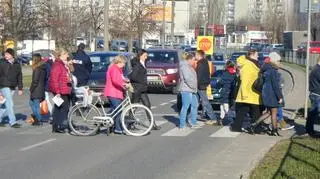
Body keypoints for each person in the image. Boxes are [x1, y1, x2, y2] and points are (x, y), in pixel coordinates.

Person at [231, 49, 261, 132]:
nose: (258, 56)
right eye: (256, 55)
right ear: (252, 55)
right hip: (250, 91)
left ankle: (236, 127)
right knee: (256, 110)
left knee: (243, 109)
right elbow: (248, 79)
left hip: (246, 91)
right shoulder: (250, 64)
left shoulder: (246, 63)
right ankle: (256, 127)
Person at [130, 49, 161, 130]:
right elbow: (133, 76)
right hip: (137, 88)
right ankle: (130, 124)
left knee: (147, 105)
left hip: (143, 89)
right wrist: (142, 81)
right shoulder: (137, 64)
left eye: (146, 56)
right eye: (145, 56)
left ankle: (152, 124)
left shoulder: (143, 63)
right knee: (134, 107)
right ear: (140, 56)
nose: (146, 57)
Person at [258, 52, 283, 136]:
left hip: (266, 92)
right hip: (271, 93)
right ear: (274, 61)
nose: (280, 62)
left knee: (269, 112)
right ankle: (274, 131)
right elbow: (275, 85)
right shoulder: (272, 70)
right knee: (274, 112)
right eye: (279, 61)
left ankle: (253, 125)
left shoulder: (266, 68)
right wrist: (279, 97)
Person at [49, 48, 73, 133]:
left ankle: (56, 126)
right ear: (61, 55)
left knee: (58, 108)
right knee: (64, 108)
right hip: (61, 90)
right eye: (66, 54)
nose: (68, 56)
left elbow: (71, 72)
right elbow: (54, 79)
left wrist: (69, 65)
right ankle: (59, 125)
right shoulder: (57, 65)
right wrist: (57, 92)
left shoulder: (63, 64)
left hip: (64, 89)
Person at [104, 55, 129, 134]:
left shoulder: (118, 69)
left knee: (114, 110)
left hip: (116, 92)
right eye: (124, 63)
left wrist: (125, 80)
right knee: (118, 110)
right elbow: (115, 80)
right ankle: (117, 128)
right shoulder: (114, 69)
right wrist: (124, 85)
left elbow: (120, 79)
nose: (124, 65)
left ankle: (109, 123)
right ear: (119, 62)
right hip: (113, 92)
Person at [0, 48, 23, 128]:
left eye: (8, 54)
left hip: (12, 86)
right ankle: (13, 122)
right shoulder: (2, 63)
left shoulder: (17, 64)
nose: (6, 55)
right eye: (5, 54)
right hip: (4, 86)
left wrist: (20, 88)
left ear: (12, 55)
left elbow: (19, 76)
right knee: (10, 104)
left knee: (4, 105)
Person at [195, 50, 218, 125]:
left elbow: (199, 76)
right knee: (196, 102)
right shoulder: (205, 62)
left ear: (199, 55)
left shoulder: (201, 63)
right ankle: (192, 117)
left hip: (200, 85)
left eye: (196, 55)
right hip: (202, 84)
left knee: (205, 102)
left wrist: (196, 84)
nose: (195, 56)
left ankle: (213, 118)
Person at [178, 53, 201, 129]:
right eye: (194, 60)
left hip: (192, 90)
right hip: (186, 89)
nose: (195, 62)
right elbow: (187, 79)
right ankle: (182, 124)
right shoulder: (184, 66)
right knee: (185, 107)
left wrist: (194, 88)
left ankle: (193, 122)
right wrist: (194, 86)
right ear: (190, 59)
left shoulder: (189, 66)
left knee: (195, 105)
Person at [29, 53, 46, 125]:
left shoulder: (37, 69)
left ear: (35, 59)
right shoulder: (42, 68)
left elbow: (35, 81)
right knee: (32, 103)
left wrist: (31, 89)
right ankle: (36, 116)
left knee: (34, 104)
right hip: (41, 89)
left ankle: (38, 119)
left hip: (36, 90)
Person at [219, 60, 237, 124]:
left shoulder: (225, 73)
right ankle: (222, 117)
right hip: (232, 91)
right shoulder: (235, 73)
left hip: (225, 90)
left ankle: (230, 117)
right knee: (225, 104)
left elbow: (221, 82)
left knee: (224, 104)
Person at [307, 56, 320, 137]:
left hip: (314, 93)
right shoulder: (318, 70)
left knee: (313, 113)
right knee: (313, 113)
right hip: (316, 94)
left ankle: (309, 129)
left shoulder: (315, 68)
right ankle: (310, 131)